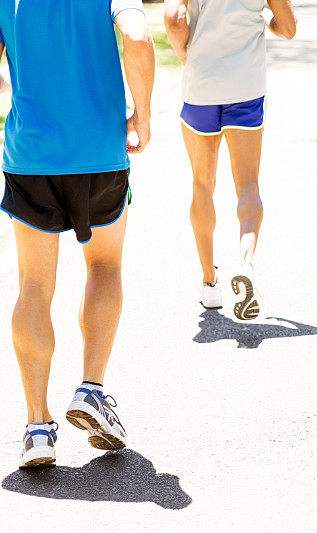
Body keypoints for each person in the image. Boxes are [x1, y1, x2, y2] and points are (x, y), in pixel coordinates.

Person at [0, 0, 155, 468]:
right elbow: (139, 38)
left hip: (31, 156)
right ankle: (91, 390)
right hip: (99, 152)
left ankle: (36, 427)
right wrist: (142, 115)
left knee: (34, 285)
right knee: (104, 265)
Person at [164, 0, 297, 320]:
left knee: (202, 184)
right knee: (248, 184)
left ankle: (210, 283)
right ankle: (245, 263)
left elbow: (173, 17)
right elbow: (289, 28)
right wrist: (264, 18)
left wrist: (184, 51)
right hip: (246, 86)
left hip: (202, 85)